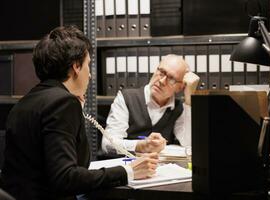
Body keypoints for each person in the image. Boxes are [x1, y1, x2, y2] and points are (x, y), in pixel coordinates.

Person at [2, 26, 158, 200]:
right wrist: (128, 171)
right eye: (88, 65)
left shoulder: (24, 103)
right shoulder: (63, 103)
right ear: (76, 66)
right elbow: (65, 177)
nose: (90, 75)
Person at [102, 54, 194, 154]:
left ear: (181, 87)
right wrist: (140, 146)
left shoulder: (178, 107)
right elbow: (107, 144)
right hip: (128, 166)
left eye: (171, 78)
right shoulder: (127, 98)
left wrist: (189, 99)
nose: (162, 81)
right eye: (161, 72)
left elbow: (188, 143)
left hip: (162, 168)